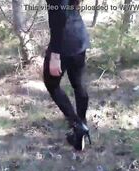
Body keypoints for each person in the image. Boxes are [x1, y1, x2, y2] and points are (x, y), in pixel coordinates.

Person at [43, 0, 91, 151]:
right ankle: (80, 130)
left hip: (64, 41)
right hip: (78, 36)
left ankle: (78, 125)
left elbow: (59, 17)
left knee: (51, 84)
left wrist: (55, 55)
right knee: (78, 84)